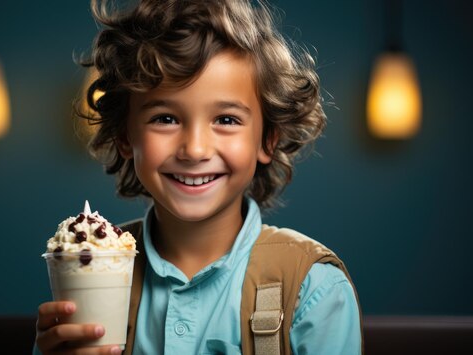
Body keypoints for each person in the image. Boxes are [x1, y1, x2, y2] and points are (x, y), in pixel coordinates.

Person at [35, 0, 362, 354]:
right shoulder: (89, 274)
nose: (195, 149)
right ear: (125, 137)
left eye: (226, 120)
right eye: (165, 118)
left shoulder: (313, 288)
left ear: (268, 139)